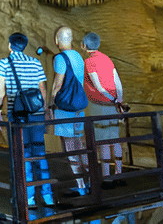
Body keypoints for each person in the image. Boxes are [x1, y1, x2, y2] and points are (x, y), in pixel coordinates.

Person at [0, 32, 53, 208]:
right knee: (40, 153)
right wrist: (45, 111)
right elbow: (42, 89)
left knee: (23, 154)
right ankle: (48, 196)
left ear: (10, 46)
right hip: (36, 114)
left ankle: (29, 198)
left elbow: (1, 91)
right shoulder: (35, 63)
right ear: (25, 46)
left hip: (17, 114)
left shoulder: (4, 63)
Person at [82, 32, 125, 187]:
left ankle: (107, 176)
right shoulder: (107, 59)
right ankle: (119, 174)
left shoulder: (89, 62)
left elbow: (98, 85)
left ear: (84, 46)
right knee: (116, 139)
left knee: (104, 142)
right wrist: (118, 100)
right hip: (113, 105)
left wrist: (111, 99)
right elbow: (117, 81)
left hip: (99, 105)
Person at [49, 26, 88, 195]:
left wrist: (51, 103)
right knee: (82, 145)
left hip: (65, 109)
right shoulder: (79, 57)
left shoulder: (60, 58)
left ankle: (81, 185)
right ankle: (91, 179)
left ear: (57, 40)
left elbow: (58, 84)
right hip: (79, 107)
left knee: (70, 147)